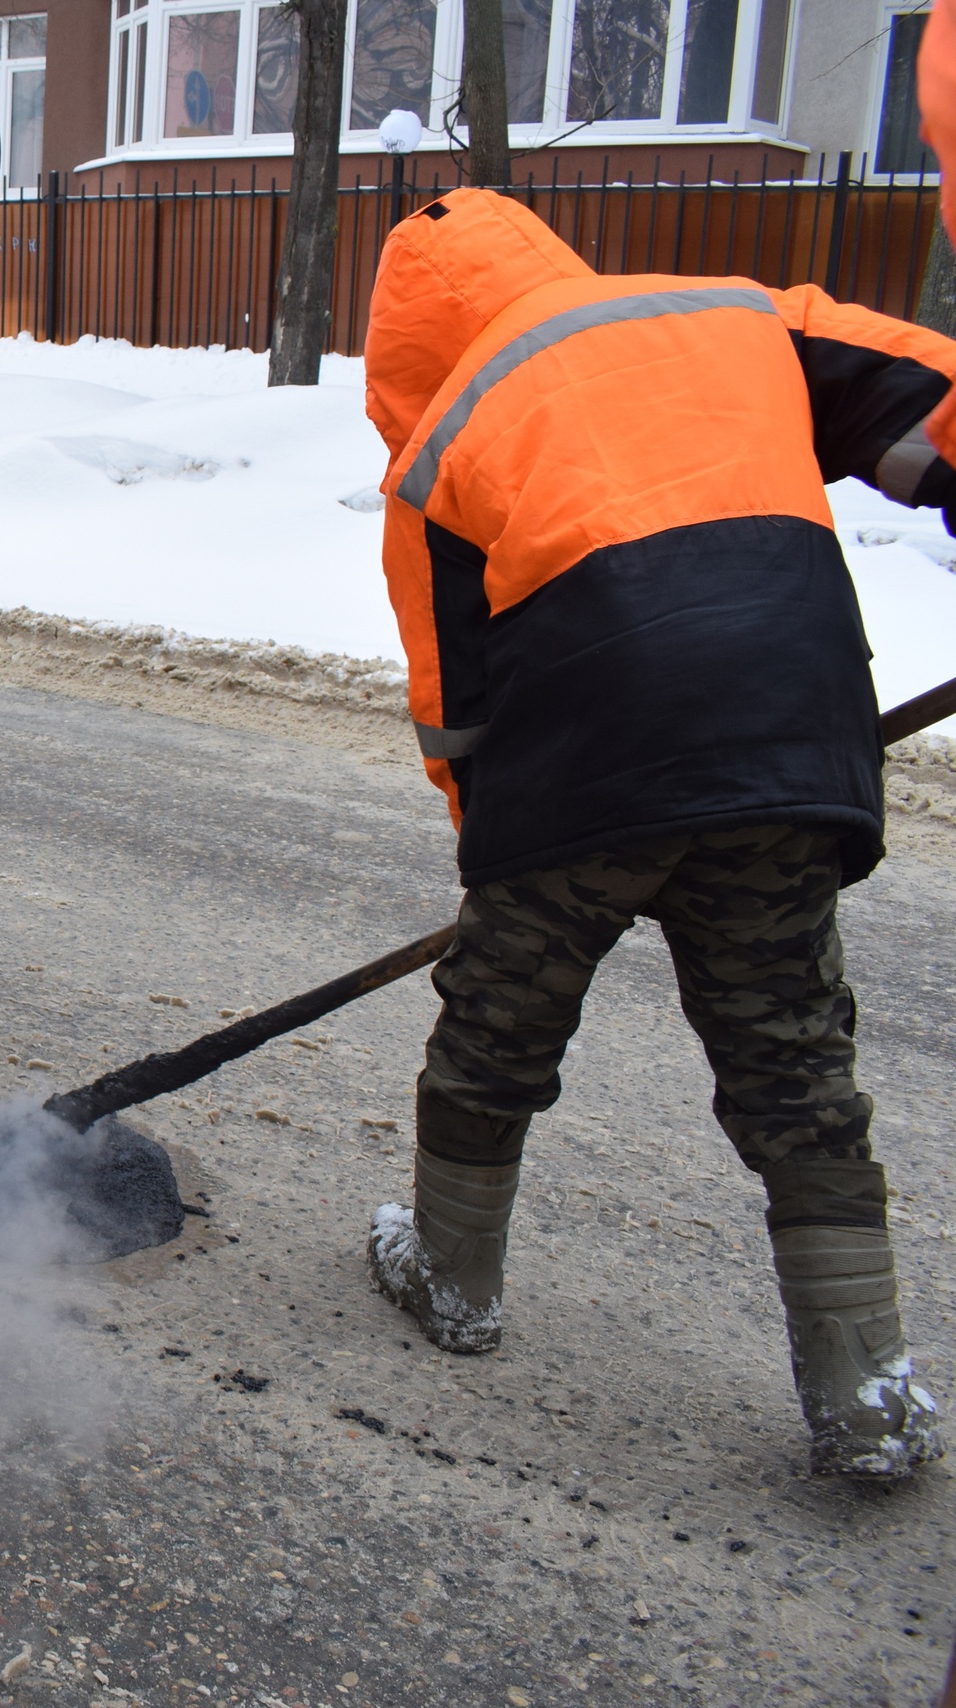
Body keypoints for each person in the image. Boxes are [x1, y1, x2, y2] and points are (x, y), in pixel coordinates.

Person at [359, 188, 944, 1481]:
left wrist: (502, 862)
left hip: (582, 765)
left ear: (408, 342)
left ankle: (453, 1277)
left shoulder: (446, 432)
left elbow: (456, 707)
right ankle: (867, 1396)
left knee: (497, 1029)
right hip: (792, 746)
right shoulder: (742, 318)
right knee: (793, 1056)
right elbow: (932, 405)